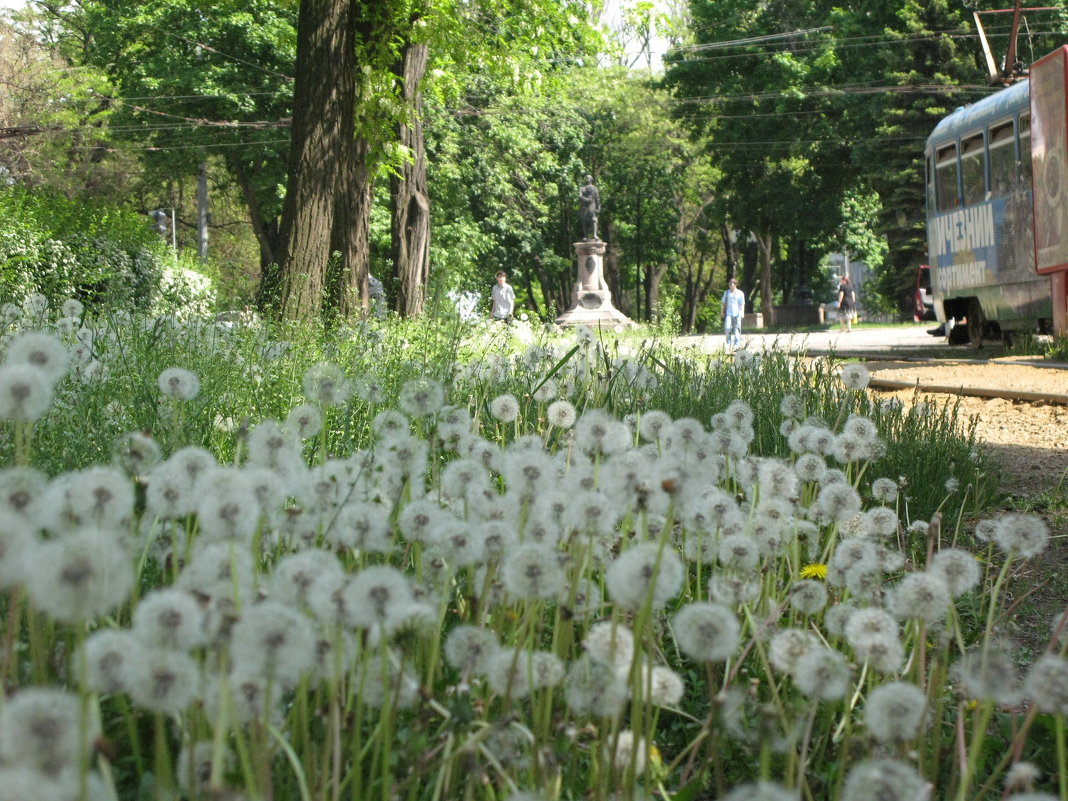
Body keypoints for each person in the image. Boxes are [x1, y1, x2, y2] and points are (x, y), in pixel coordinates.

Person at [720, 278, 745, 351]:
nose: (731, 285)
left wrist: (742, 312)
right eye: (730, 284)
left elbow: (742, 304)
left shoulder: (740, 293)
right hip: (728, 313)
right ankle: (728, 343)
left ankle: (736, 345)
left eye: (732, 284)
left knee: (737, 330)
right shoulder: (727, 293)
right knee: (727, 328)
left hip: (737, 314)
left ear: (735, 285)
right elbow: (723, 303)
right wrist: (722, 312)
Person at [579, 174, 601, 240]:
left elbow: (598, 199)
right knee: (584, 221)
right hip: (584, 206)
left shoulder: (595, 188)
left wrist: (598, 207)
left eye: (587, 178)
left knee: (594, 219)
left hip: (592, 205)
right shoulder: (582, 188)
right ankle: (585, 236)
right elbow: (580, 196)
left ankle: (595, 235)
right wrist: (585, 199)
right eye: (585, 178)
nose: (586, 179)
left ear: (591, 179)